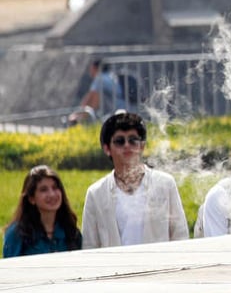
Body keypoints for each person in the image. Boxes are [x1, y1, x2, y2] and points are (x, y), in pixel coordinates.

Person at [82, 112, 189, 248]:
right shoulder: (95, 194)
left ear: (142, 146)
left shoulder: (165, 184)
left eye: (133, 140)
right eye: (120, 141)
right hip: (115, 268)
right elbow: (89, 246)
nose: (127, 145)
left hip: (160, 268)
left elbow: (180, 236)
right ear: (107, 149)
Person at [3, 165, 82, 257]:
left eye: (55, 188)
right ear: (31, 198)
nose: (52, 194)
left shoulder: (71, 231)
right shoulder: (17, 234)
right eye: (43, 190)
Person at [68, 58, 127, 124]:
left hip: (116, 110)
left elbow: (91, 98)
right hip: (124, 106)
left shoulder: (100, 78)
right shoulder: (110, 76)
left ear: (96, 68)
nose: (90, 71)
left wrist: (80, 116)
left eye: (91, 68)